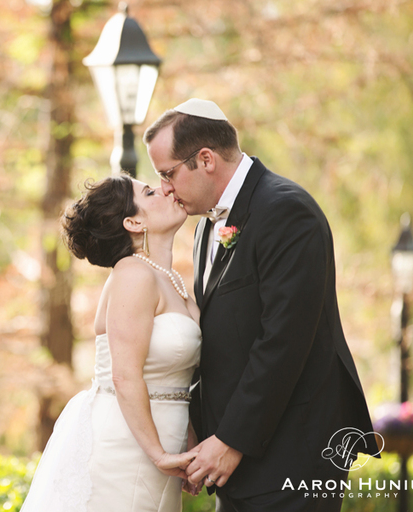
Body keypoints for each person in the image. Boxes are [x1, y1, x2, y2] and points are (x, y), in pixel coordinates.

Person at [143, 98, 379, 512]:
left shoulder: (287, 211)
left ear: (206, 159)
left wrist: (231, 440)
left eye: (168, 173)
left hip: (293, 456)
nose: (164, 188)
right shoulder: (204, 230)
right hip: (241, 461)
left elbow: (283, 342)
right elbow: (221, 341)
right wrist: (197, 424)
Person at [20, 174, 200, 512]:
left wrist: (188, 437)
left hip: (163, 440)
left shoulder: (171, 278)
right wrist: (158, 454)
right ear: (133, 222)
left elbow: (175, 376)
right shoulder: (133, 273)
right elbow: (125, 374)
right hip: (126, 446)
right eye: (149, 192)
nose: (165, 189)